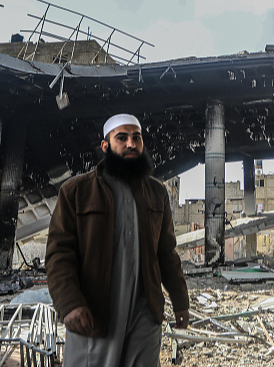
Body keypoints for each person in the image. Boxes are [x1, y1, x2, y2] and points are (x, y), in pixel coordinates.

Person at [46, 114, 189, 367]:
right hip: (95, 313)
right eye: (121, 138)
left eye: (136, 138)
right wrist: (69, 304)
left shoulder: (157, 193)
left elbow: (166, 253)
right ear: (105, 146)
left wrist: (180, 302)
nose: (131, 144)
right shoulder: (75, 192)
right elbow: (59, 255)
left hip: (144, 315)